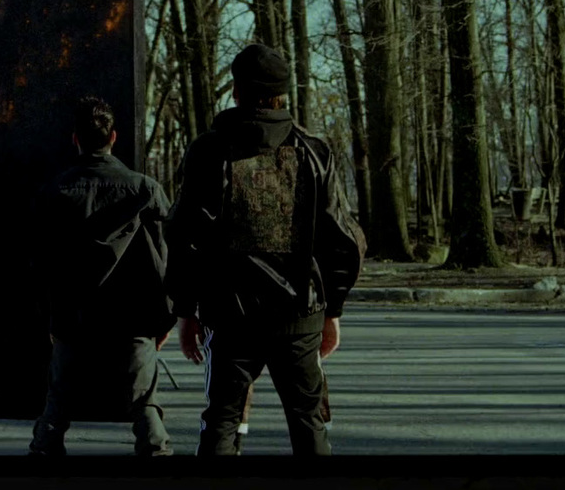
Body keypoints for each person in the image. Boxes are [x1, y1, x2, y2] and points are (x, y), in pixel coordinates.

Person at [166, 44, 365, 456]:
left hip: (230, 317)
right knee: (309, 424)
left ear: (236, 91)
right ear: (282, 93)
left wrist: (185, 311)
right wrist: (333, 310)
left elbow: (186, 238)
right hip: (300, 314)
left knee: (221, 423)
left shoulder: (209, 151)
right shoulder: (314, 151)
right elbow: (341, 240)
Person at [29, 96, 176, 457]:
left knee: (58, 402)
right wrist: (166, 316)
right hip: (134, 316)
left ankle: (44, 454)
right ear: (114, 136)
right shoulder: (145, 190)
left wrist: (50, 315)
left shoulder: (54, 192)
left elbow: (41, 264)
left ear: (75, 139)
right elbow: (165, 258)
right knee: (144, 403)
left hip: (73, 314)